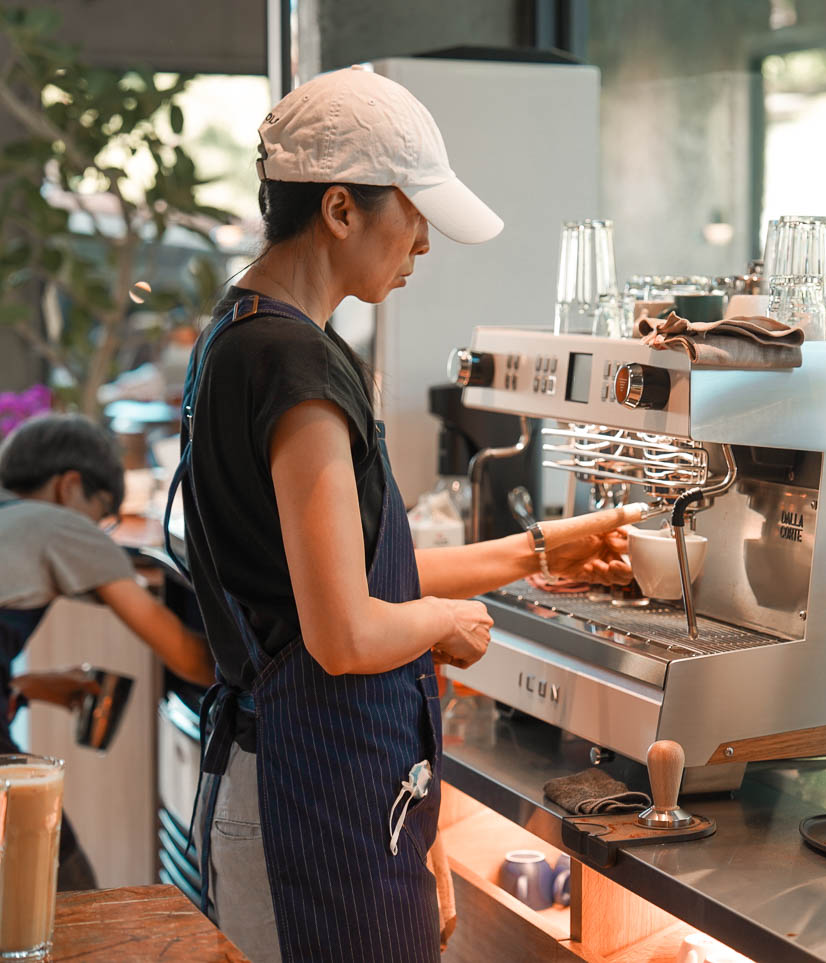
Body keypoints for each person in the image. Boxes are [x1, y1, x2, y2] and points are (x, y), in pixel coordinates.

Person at [176, 66, 630, 962]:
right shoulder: (295, 369)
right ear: (340, 209)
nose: (423, 240)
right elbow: (346, 631)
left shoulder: (243, 333)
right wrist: (446, 624)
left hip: (299, 784)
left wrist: (537, 550)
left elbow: (352, 572)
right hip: (310, 804)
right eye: (411, 212)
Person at [0, 412, 215, 889]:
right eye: (102, 517)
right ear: (69, 486)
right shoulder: (60, 526)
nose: (99, 533)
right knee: (66, 890)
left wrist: (24, 687)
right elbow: (189, 659)